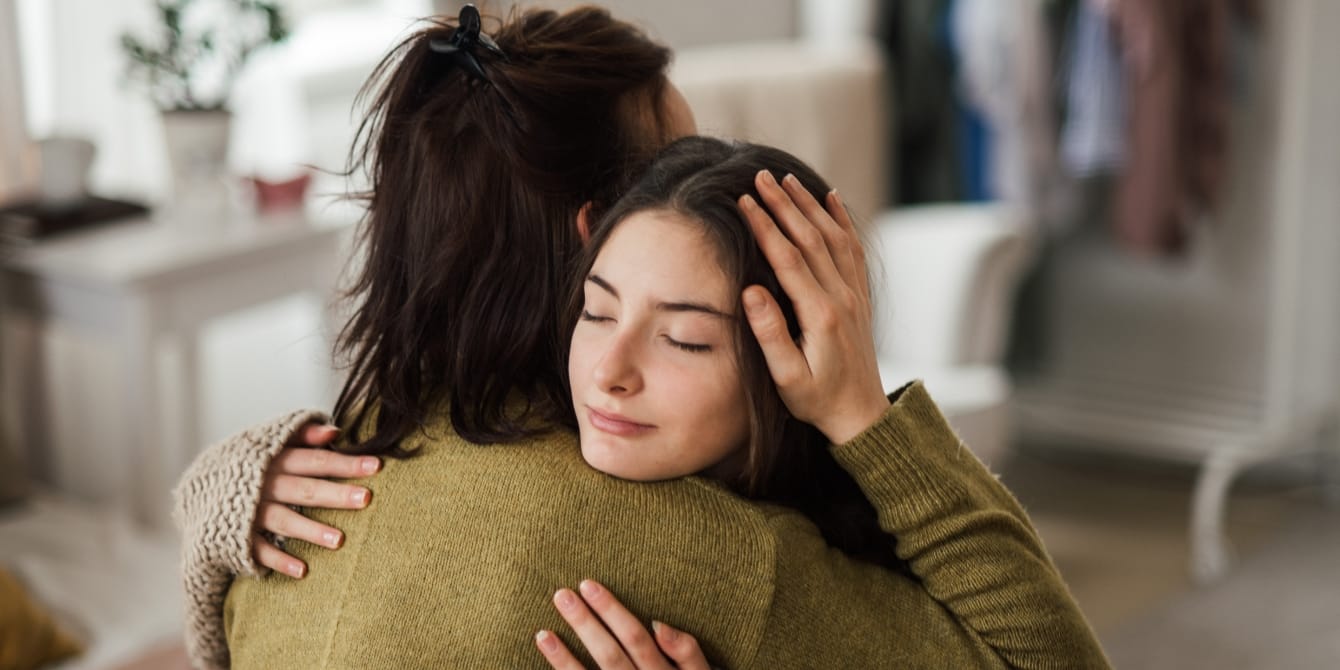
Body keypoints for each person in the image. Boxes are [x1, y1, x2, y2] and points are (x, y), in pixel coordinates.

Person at [177, 6, 1110, 670]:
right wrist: (869, 419)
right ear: (598, 229)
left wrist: (204, 498)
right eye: (670, 166)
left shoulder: (326, 459)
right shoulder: (703, 558)